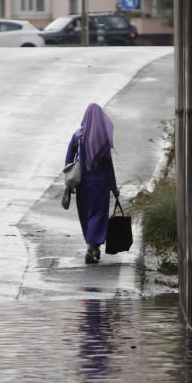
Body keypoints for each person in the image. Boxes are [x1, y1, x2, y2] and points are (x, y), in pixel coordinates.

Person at [65, 103, 119, 264]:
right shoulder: (103, 139)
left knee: (87, 215)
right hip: (101, 184)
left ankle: (93, 247)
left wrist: (69, 183)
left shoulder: (77, 136)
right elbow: (108, 166)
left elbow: (69, 160)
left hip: (83, 184)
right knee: (99, 216)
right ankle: (92, 248)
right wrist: (114, 186)